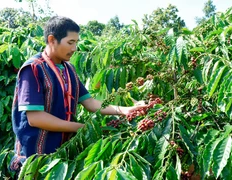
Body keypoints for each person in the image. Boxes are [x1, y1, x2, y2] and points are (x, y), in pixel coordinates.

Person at [9, 16, 146, 174]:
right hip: (35, 158)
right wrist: (80, 128)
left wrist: (126, 110)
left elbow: (90, 103)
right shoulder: (33, 69)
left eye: (76, 42)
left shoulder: (69, 70)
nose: (74, 48)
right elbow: (35, 118)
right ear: (52, 40)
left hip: (62, 154)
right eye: (70, 42)